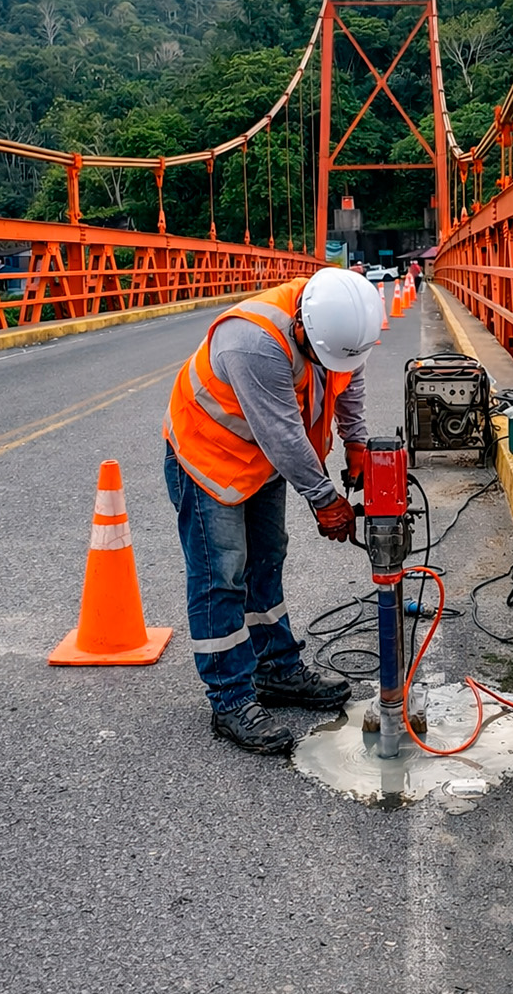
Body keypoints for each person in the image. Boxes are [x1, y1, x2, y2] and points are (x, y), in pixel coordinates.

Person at [163, 269, 384, 754]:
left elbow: (350, 382)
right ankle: (230, 699)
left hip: (261, 458)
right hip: (208, 457)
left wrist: (358, 443)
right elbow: (283, 432)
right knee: (221, 575)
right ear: (302, 328)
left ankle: (276, 669)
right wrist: (327, 500)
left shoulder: (342, 327)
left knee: (268, 558)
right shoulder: (252, 341)